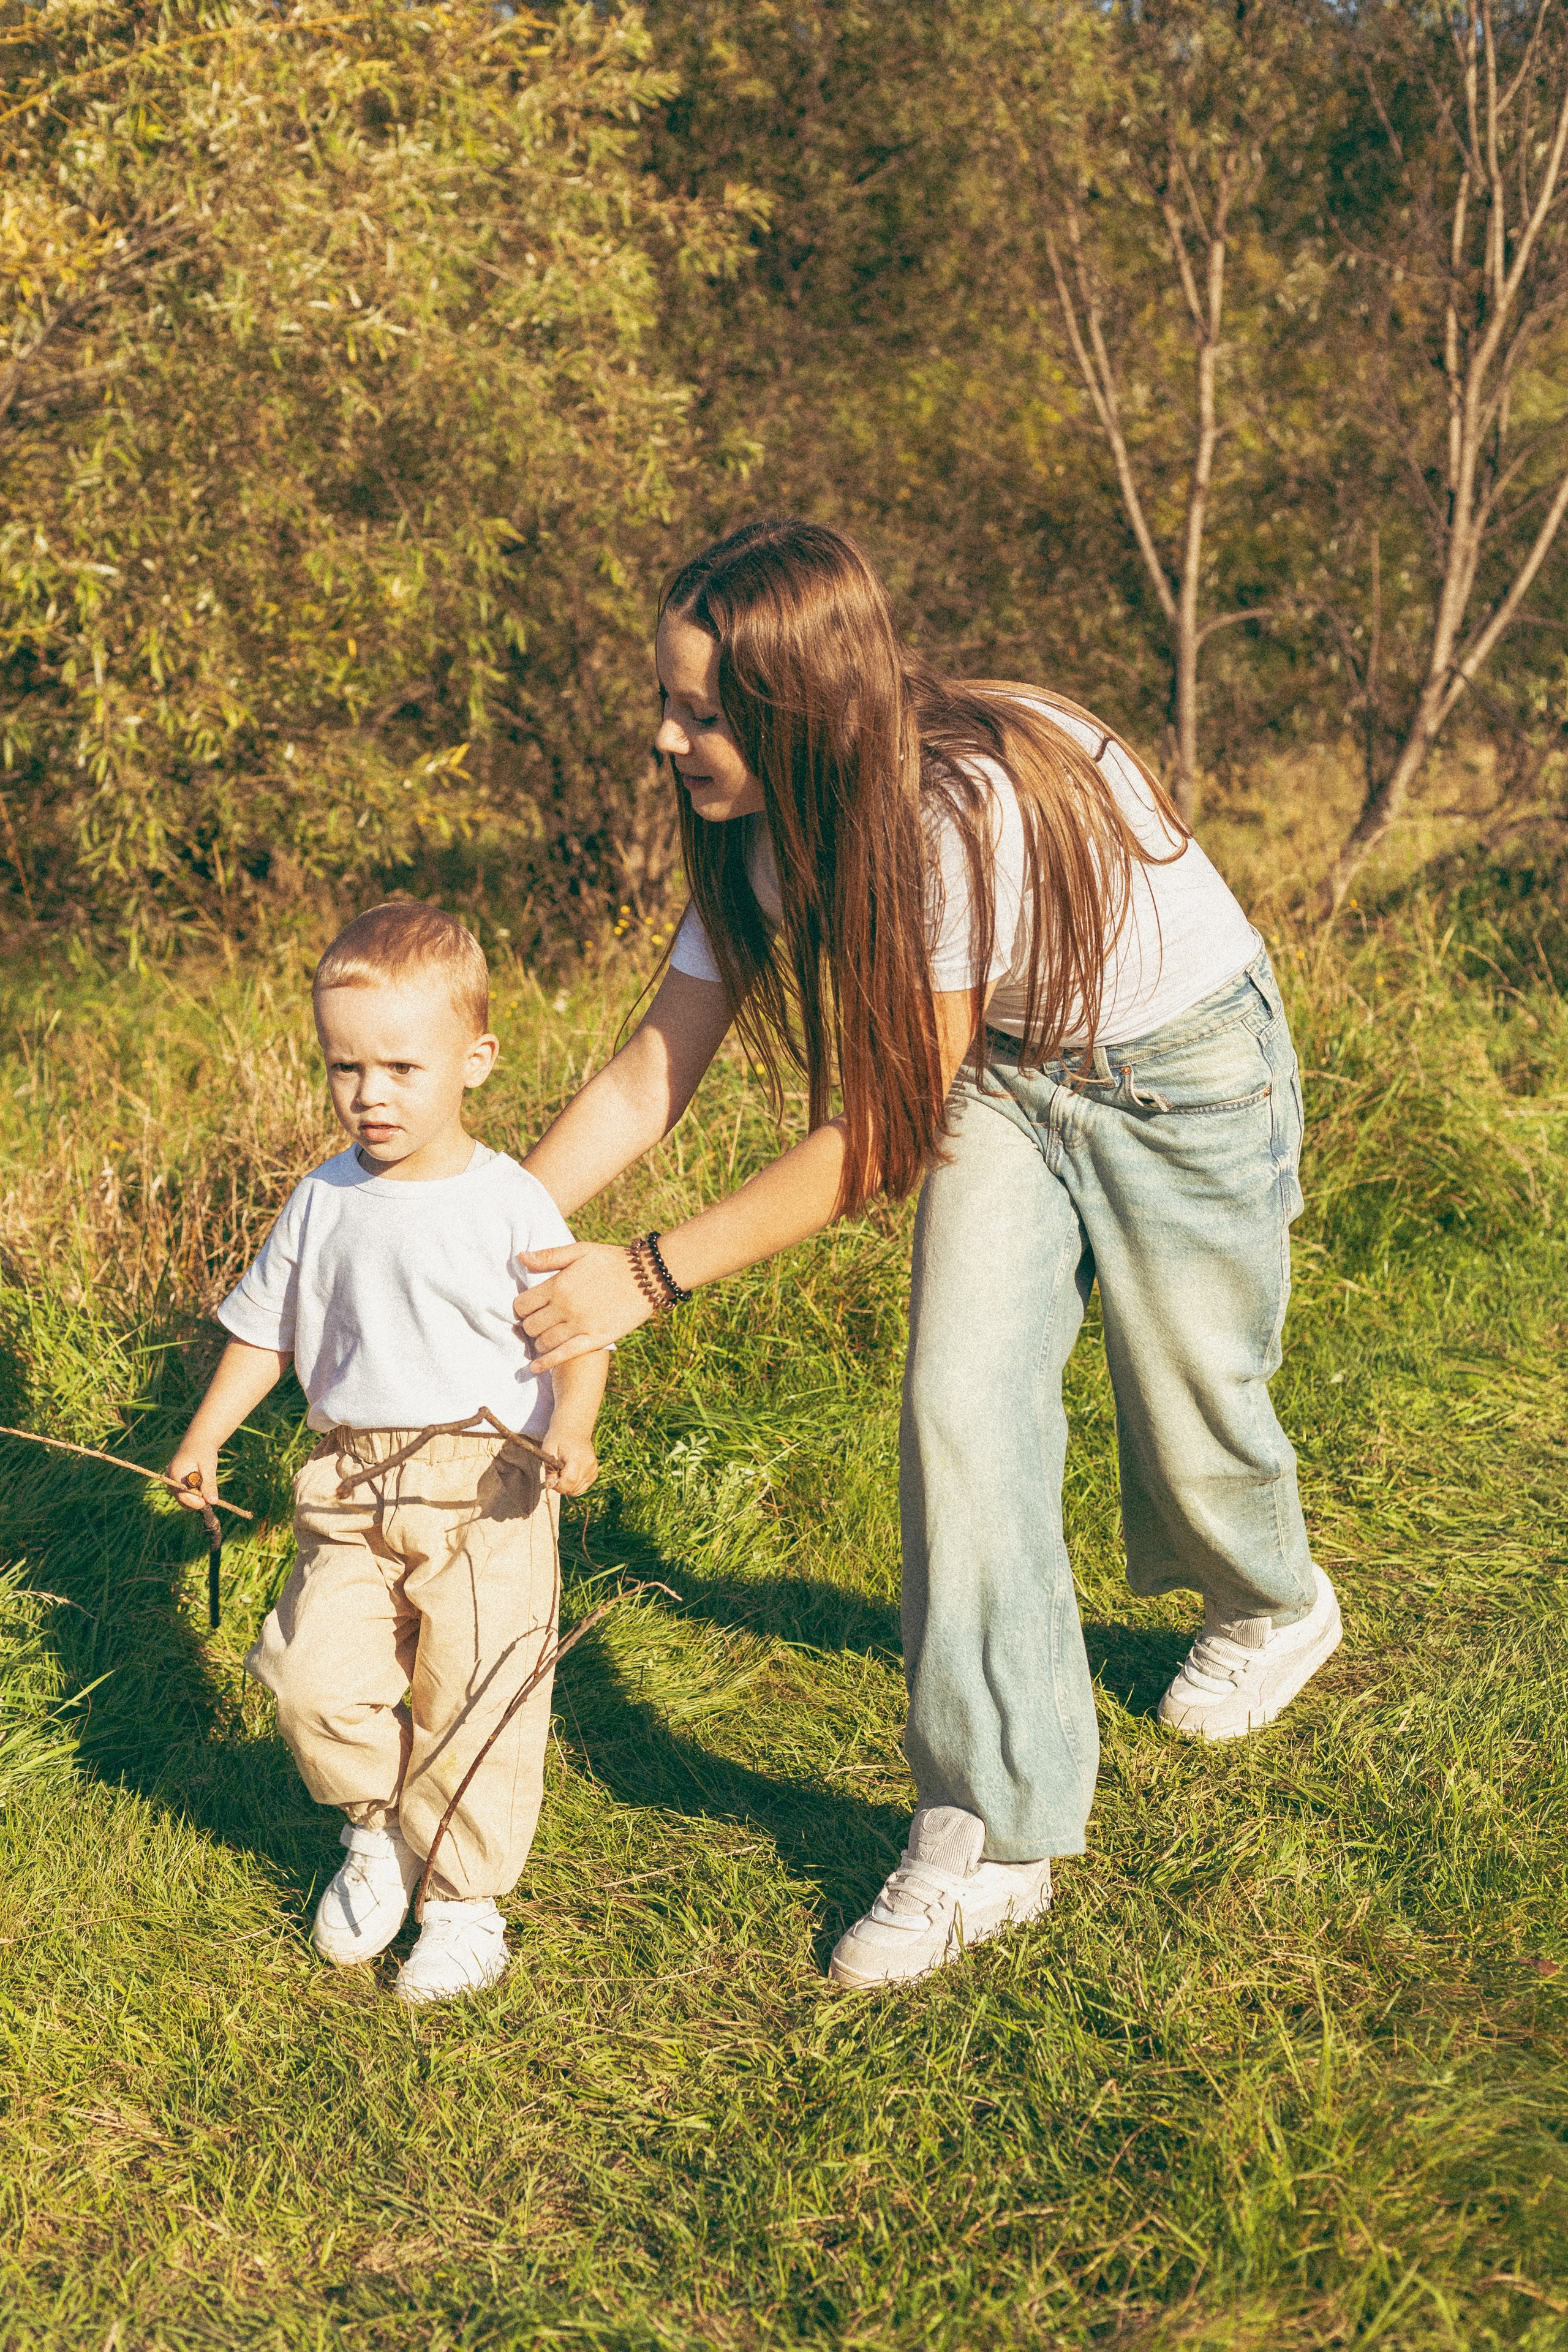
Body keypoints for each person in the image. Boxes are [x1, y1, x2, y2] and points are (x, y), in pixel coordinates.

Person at [515, 517, 1342, 1992]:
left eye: (702, 715)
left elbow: (879, 1139)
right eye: (669, 703)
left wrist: (640, 1278)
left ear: (795, 707)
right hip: (1005, 1075)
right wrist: (489, 1224)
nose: (666, 737)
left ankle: (1270, 1604)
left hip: (1181, 1062)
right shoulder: (758, 841)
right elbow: (657, 1064)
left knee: (1192, 1397)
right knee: (960, 1408)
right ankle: (989, 1825)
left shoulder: (948, 815)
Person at [170, 902, 608, 2005]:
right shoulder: (321, 1200)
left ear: (477, 1061)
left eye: (403, 1067)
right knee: (313, 1679)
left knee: (476, 1694)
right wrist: (204, 1435)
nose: (372, 1095)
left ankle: (463, 1904)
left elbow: (579, 1329)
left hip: (488, 1491)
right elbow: (265, 1331)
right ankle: (379, 1830)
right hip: (348, 1486)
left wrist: (572, 1429)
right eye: (345, 1068)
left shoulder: (509, 1201)